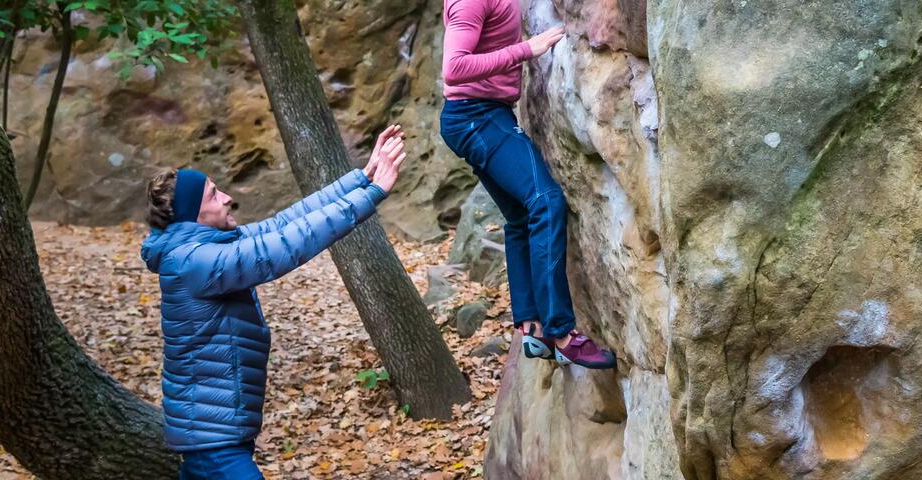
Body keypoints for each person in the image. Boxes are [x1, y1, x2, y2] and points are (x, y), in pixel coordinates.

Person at [141, 126, 409, 479]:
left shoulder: (205, 247)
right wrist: (372, 194)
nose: (226, 198)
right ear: (193, 215)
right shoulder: (195, 262)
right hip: (212, 439)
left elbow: (285, 223)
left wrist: (363, 177)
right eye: (212, 195)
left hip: (217, 431)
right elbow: (284, 246)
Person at [437, 0, 617, 369]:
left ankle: (531, 327)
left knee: (520, 218)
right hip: (475, 117)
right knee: (546, 201)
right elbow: (454, 69)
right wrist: (526, 50)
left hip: (483, 114)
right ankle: (563, 334)